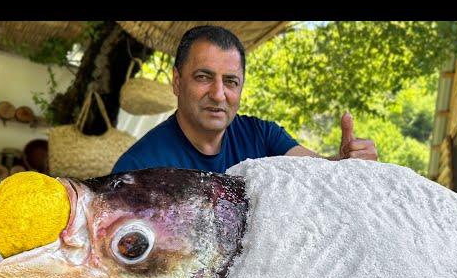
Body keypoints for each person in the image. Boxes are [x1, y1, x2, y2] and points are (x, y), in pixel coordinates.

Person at [111, 25, 377, 175]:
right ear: (177, 81)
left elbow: (320, 172)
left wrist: (344, 163)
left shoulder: (261, 136)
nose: (218, 94)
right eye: (204, 77)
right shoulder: (136, 168)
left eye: (230, 82)